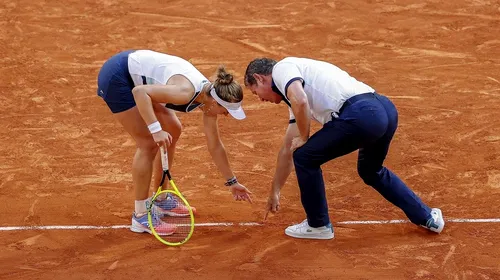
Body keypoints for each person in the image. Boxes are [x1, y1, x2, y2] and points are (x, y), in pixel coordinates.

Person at [244, 57, 444, 240]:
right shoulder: (294, 98)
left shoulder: (282, 69)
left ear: (260, 78)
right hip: (384, 110)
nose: (260, 99)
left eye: (255, 92)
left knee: (305, 157)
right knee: (370, 170)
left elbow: (301, 101)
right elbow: (288, 147)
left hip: (362, 114)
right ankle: (427, 217)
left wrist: (305, 137)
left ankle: (318, 225)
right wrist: (275, 191)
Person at [97, 49, 253, 236]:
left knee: (173, 129)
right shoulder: (186, 93)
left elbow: (215, 145)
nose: (227, 115)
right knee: (147, 143)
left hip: (138, 77)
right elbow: (140, 92)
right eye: (226, 110)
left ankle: (162, 198)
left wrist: (232, 182)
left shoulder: (208, 99)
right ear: (215, 102)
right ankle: (140, 215)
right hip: (119, 76)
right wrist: (155, 130)